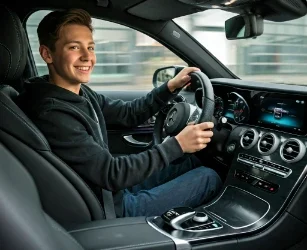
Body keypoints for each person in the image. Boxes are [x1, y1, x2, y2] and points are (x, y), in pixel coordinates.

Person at [17, 9, 222, 217]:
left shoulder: (77, 93)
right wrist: (177, 144)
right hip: (110, 209)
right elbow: (111, 173)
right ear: (47, 54)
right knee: (208, 177)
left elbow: (127, 113)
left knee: (191, 162)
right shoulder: (53, 114)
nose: (88, 57)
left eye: (90, 47)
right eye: (74, 47)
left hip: (111, 192)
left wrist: (170, 87)